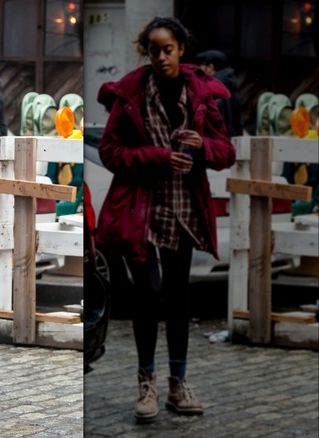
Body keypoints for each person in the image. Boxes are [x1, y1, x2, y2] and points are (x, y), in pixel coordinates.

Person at [95, 17, 235, 424]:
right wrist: (156, 157)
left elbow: (226, 152)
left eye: (167, 49)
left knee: (177, 295)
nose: (159, 57)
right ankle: (147, 382)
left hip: (185, 207)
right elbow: (110, 151)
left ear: (180, 49)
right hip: (142, 206)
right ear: (146, 51)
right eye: (153, 50)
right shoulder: (131, 93)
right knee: (148, 292)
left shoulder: (202, 95)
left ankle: (178, 382)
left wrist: (203, 144)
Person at [196, 49, 242, 137]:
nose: (199, 69)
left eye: (201, 65)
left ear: (210, 67)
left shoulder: (212, 87)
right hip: (232, 136)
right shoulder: (230, 82)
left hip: (218, 139)